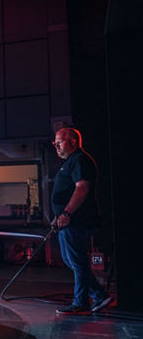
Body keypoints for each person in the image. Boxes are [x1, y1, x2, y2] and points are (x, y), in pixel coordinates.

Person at [50, 127, 113, 315]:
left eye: (59, 142)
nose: (56, 147)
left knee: (77, 262)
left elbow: (82, 189)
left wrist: (67, 213)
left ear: (72, 142)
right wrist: (58, 215)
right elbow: (68, 192)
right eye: (55, 143)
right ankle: (99, 295)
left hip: (76, 221)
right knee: (70, 261)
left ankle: (81, 303)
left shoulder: (79, 161)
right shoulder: (70, 162)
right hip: (67, 221)